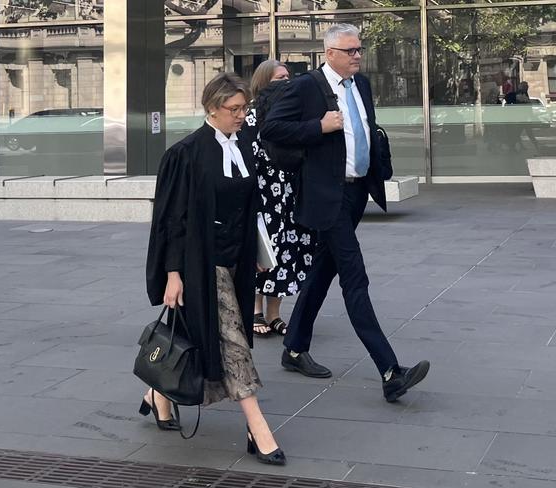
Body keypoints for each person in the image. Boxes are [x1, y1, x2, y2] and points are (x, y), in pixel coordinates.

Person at [260, 23, 430, 403]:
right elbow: (272, 129)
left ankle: (293, 347)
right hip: (327, 197)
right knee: (355, 275)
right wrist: (317, 126)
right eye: (350, 50)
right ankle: (390, 370)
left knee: (323, 269)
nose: (357, 55)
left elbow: (364, 131)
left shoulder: (362, 85)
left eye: (359, 49)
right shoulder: (306, 87)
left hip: (356, 194)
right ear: (330, 53)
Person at [144, 72, 286, 466]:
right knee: (233, 342)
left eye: (245, 108)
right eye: (234, 109)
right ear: (212, 108)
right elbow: (172, 219)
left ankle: (157, 394)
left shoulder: (242, 145)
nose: (242, 116)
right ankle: (259, 429)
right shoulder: (185, 153)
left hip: (237, 261)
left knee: (198, 335)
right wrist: (173, 273)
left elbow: (247, 205)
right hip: (199, 263)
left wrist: (257, 248)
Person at [247, 59, 317, 337]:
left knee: (286, 254)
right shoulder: (250, 118)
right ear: (263, 82)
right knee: (262, 251)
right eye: (279, 78)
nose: (286, 82)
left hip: (289, 197)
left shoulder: (292, 116)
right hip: (262, 196)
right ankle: (255, 310)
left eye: (288, 77)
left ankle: (275, 312)